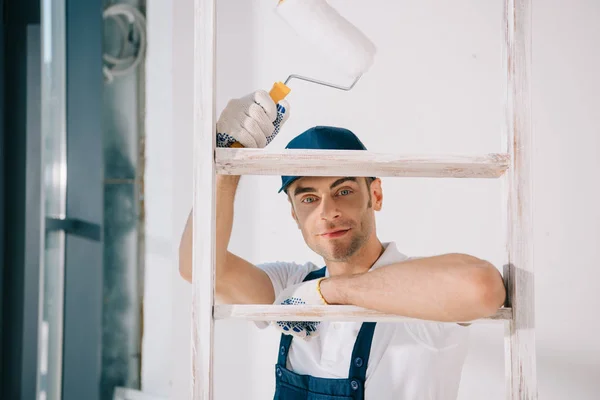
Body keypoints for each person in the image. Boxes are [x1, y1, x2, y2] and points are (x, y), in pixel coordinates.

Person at [179, 90, 507, 400]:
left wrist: (329, 292)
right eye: (309, 198)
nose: (328, 211)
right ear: (294, 214)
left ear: (375, 195)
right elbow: (199, 267)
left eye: (344, 191)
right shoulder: (290, 286)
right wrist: (227, 163)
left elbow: (482, 288)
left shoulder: (420, 287)